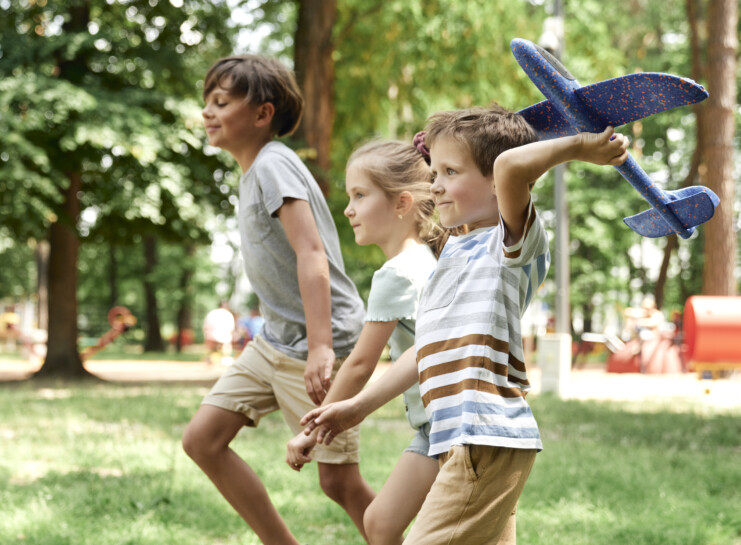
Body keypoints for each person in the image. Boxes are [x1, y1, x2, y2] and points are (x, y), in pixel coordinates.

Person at [302, 106, 630, 545]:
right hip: (457, 435)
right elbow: (426, 351)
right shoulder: (454, 252)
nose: (434, 185)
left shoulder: (511, 244)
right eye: (433, 172)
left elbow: (511, 165)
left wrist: (579, 145)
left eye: (449, 172)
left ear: (498, 186)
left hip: (484, 435)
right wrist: (356, 408)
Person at [180, 54, 373, 545]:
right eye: (207, 102)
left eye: (221, 102)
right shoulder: (253, 172)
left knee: (338, 482)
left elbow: (311, 254)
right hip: (274, 341)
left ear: (262, 114)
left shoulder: (273, 164)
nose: (208, 112)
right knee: (202, 440)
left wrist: (321, 347)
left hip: (318, 341)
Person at [283, 138, 451, 545]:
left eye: (360, 195)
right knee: (378, 523)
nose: (348, 209)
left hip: (446, 429)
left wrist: (312, 429)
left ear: (401, 203)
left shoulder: (396, 273)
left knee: (395, 527)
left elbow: (360, 364)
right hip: (435, 429)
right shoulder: (426, 261)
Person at [202, 301, 236, 366]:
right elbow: (232, 329)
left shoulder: (211, 313)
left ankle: (209, 358)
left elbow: (205, 326)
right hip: (223, 337)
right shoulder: (228, 314)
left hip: (210, 336)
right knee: (227, 344)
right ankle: (226, 357)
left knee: (211, 346)